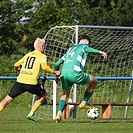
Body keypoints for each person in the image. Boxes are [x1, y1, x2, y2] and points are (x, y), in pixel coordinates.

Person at [0, 38, 60, 122]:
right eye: (44, 46)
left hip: (20, 81)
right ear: (41, 46)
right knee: (43, 95)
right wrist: (54, 72)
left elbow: (16, 64)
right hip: (31, 83)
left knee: (6, 100)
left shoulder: (28, 54)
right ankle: (31, 114)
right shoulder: (42, 56)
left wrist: (17, 68)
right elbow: (44, 67)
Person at [54, 35, 107, 123]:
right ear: (87, 42)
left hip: (64, 74)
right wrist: (100, 52)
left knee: (65, 94)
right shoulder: (84, 46)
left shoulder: (70, 49)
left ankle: (59, 113)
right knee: (94, 82)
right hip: (75, 74)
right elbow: (87, 49)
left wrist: (57, 76)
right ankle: (84, 103)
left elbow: (56, 64)